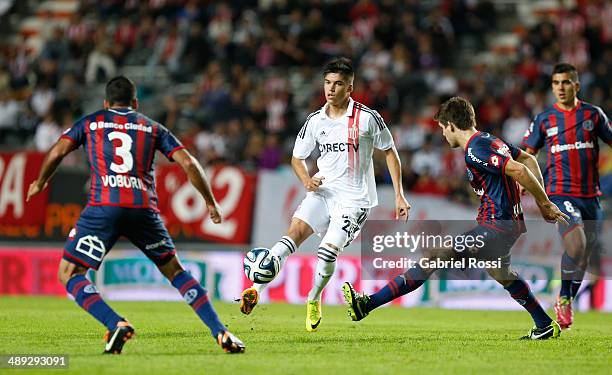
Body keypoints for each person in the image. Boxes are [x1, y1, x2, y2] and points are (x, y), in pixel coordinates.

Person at [26, 76, 245, 354]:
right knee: (176, 272)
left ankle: (115, 323)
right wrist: (210, 202)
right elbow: (188, 162)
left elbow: (58, 150)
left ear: (106, 103)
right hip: (143, 210)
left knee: (69, 272)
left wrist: (41, 182)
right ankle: (221, 332)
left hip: (103, 207)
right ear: (135, 102)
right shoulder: (151, 127)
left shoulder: (91, 122)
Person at [343, 97, 570, 340]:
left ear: (451, 124)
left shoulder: (476, 149)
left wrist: (544, 203)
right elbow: (528, 159)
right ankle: (544, 324)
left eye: (442, 127)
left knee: (433, 256)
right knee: (502, 273)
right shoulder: (490, 140)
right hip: (504, 225)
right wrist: (530, 191)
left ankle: (365, 305)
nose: (442, 134)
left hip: (496, 227)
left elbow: (520, 169)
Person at [239, 57, 411, 332]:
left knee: (327, 251)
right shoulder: (315, 120)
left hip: (354, 200)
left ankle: (313, 298)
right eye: (328, 83)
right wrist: (306, 180)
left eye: (338, 84)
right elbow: (297, 158)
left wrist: (399, 195)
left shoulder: (367, 118)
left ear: (350, 88)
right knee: (293, 233)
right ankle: (255, 288)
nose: (331, 89)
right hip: (323, 192)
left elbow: (390, 151)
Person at [521, 63, 611, 329]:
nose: (561, 88)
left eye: (566, 82)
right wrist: (524, 179)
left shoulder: (593, 115)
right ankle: (562, 297)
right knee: (577, 246)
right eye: (556, 83)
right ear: (552, 87)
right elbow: (527, 152)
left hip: (591, 198)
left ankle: (567, 298)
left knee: (583, 256)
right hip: (559, 194)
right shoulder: (545, 119)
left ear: (577, 86)